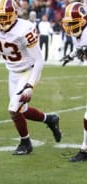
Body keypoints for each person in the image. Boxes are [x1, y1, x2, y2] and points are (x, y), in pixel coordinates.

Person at [0, 0, 61, 155]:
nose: (2, 20)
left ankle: (25, 143)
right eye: (0, 16)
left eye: (6, 16)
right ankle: (50, 119)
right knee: (22, 110)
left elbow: (39, 60)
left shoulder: (25, 29)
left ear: (15, 14)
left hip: (27, 71)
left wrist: (31, 85)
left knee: (13, 109)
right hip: (12, 72)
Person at [60, 2, 87, 161]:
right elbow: (81, 48)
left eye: (73, 23)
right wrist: (71, 56)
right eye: (68, 23)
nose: (70, 27)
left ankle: (85, 151)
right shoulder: (80, 33)